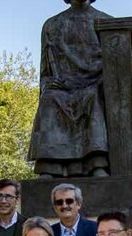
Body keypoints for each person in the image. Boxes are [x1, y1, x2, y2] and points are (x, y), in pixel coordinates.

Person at [28, 0, 112, 177]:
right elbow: (45, 70)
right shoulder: (52, 25)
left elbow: (117, 62)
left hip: (94, 84)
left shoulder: (106, 22)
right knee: (49, 98)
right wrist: (46, 85)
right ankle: (50, 166)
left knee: (93, 97)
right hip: (63, 88)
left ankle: (97, 163)